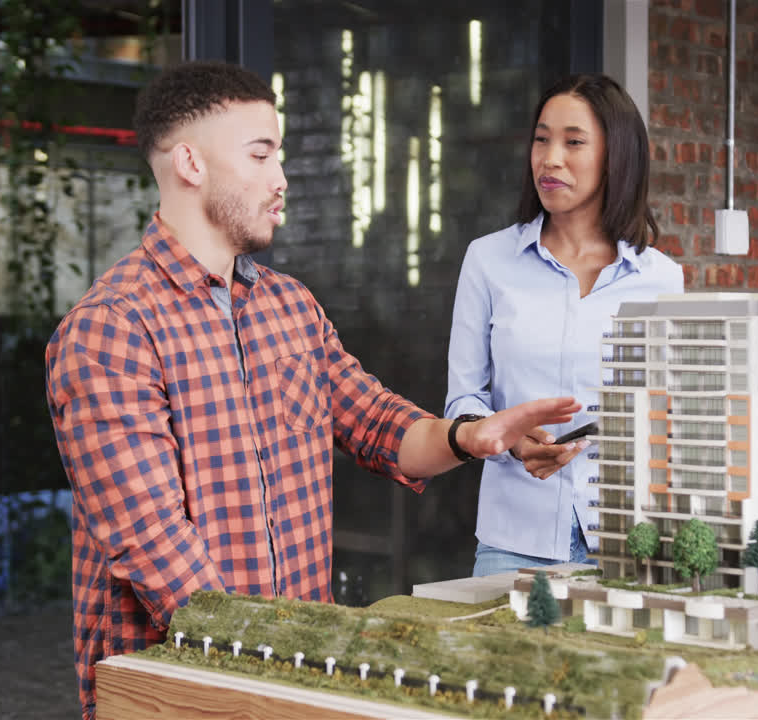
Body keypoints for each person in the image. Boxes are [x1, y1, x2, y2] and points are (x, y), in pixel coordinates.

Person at [45, 60, 579, 720]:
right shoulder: (112, 330)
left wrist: (473, 436)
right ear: (190, 163)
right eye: (260, 154)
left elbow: (378, 424)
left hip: (289, 679)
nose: (282, 180)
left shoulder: (289, 308)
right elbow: (156, 547)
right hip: (183, 693)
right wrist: (282, 669)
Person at [445, 73, 684, 577]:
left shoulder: (660, 278)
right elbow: (463, 400)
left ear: (615, 156)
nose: (550, 158)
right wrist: (507, 436)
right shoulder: (488, 261)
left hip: (630, 541)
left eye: (573, 142)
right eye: (541, 139)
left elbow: (667, 414)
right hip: (515, 538)